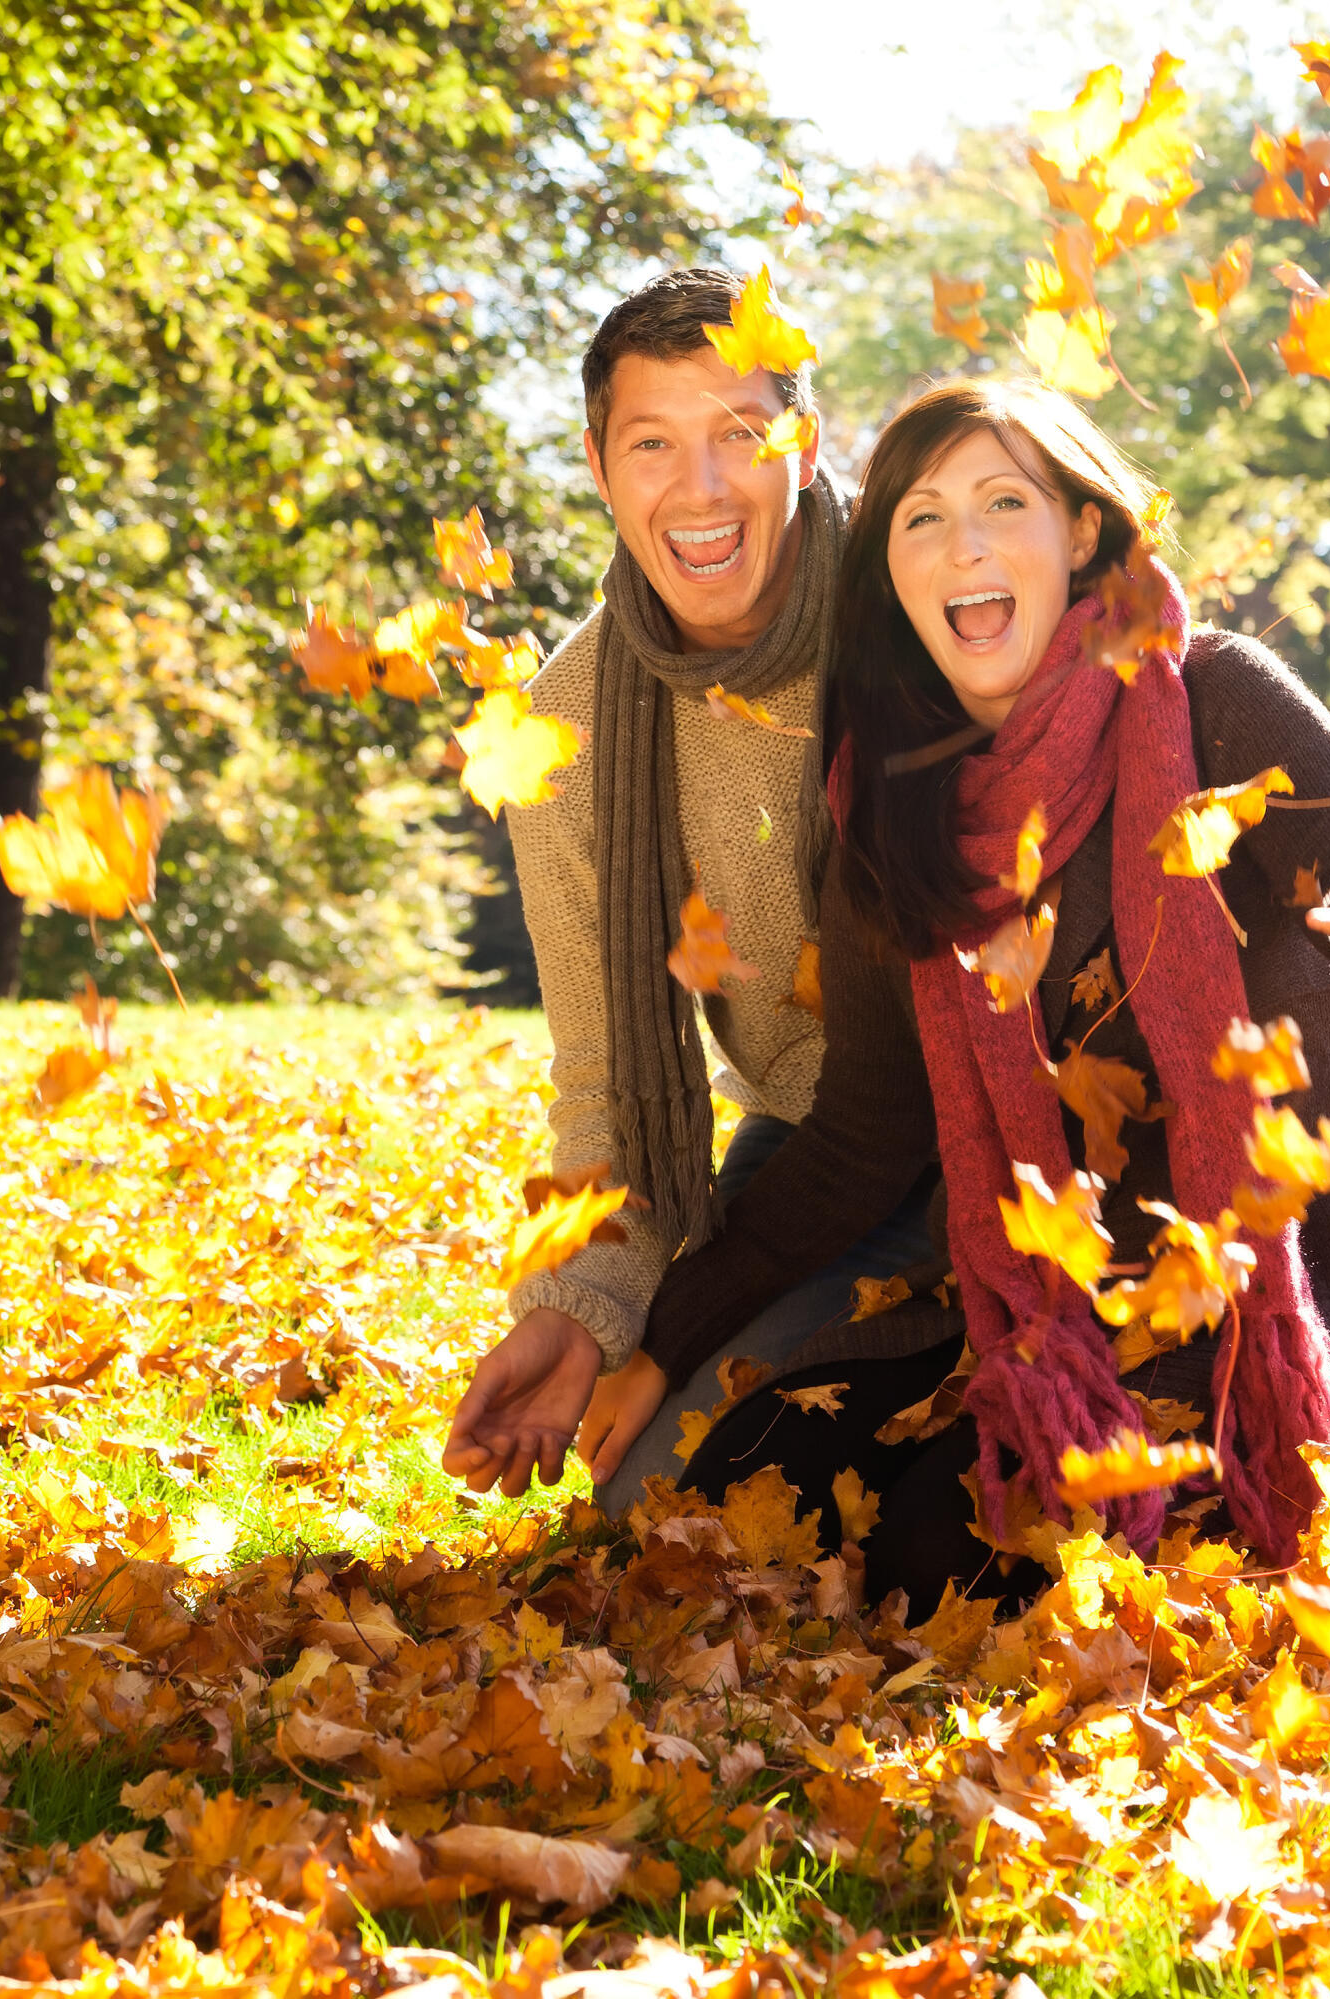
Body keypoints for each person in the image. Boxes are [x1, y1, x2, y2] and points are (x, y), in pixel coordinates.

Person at [665, 376, 1330, 1603]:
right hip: (1058, 1329)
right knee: (727, 1475)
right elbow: (859, 1141)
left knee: (951, 1570)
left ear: (1085, 533)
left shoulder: (1214, 699)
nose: (967, 544)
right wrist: (659, 1334)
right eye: (924, 518)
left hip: (1275, 1333)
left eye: (1007, 501)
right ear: (891, 572)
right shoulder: (894, 808)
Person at [438, 268, 944, 1508]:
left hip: (1006, 1120)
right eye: (654, 443)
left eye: (739, 434)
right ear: (603, 471)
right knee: (661, 1490)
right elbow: (610, 1076)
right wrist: (580, 1309)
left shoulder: (927, 605)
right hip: (815, 1140)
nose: (701, 488)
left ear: (806, 448)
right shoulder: (566, 727)